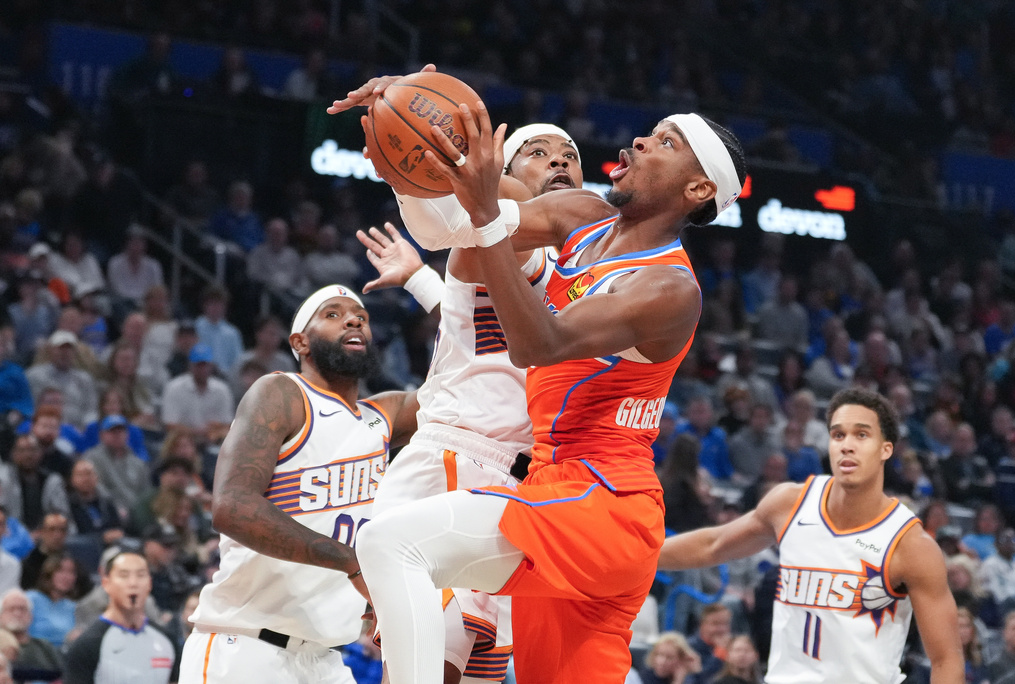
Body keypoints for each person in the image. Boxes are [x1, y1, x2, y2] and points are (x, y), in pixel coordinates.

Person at [333, 67, 745, 684]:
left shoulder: (667, 286)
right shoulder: (583, 213)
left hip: (602, 502)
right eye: (650, 132)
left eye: (665, 142)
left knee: (390, 545)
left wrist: (484, 212)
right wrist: (411, 160)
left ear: (697, 189)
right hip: (554, 488)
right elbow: (451, 230)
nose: (637, 142)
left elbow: (536, 343)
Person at [354, 120, 584, 683]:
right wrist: (410, 165)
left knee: (471, 671)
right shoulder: (502, 231)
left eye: (570, 154)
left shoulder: (571, 267)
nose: (558, 161)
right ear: (502, 173)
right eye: (537, 153)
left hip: (515, 488)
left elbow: (481, 330)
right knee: (427, 672)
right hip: (459, 465)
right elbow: (464, 222)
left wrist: (419, 281)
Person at [177, 285, 417, 684]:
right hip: (245, 648)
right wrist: (350, 561)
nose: (355, 320)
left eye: (361, 316)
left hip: (325, 660)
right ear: (300, 342)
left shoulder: (382, 417)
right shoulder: (282, 393)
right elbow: (230, 506)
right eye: (333, 314)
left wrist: (421, 280)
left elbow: (463, 380)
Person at [659, 387, 962, 683]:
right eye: (838, 434)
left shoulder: (910, 544)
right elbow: (713, 544)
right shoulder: (789, 504)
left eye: (861, 435)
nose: (847, 445)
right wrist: (633, 557)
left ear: (886, 449)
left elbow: (946, 659)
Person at [64, 548, 177, 684]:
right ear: (106, 583)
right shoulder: (86, 646)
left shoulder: (168, 641)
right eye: (124, 575)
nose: (133, 583)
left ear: (150, 583)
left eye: (140, 575)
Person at [0, 588, 63, 682]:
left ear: (31, 616)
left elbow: (61, 676)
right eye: (11, 609)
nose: (17, 613)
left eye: (22, 609)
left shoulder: (44, 646)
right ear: (0, 616)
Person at [638, 631, 702, 684]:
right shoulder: (647, 675)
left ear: (680, 659)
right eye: (658, 654)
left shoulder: (687, 676)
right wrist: (678, 681)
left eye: (669, 657)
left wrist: (696, 670)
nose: (662, 662)